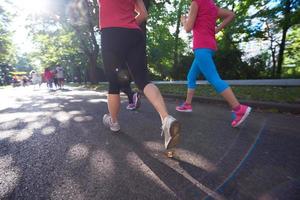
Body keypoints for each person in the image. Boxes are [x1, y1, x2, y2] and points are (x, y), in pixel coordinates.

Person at [98, 0, 180, 149]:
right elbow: (143, 14)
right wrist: (127, 25)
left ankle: (114, 122)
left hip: (110, 34)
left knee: (113, 83)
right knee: (143, 80)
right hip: (133, 33)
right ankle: (166, 118)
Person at [176, 0, 251, 128]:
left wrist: (183, 19)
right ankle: (188, 104)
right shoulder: (211, 5)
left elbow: (188, 28)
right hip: (209, 46)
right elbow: (231, 14)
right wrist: (216, 29)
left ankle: (239, 109)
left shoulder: (196, 3)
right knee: (191, 76)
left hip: (201, 47)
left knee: (213, 78)